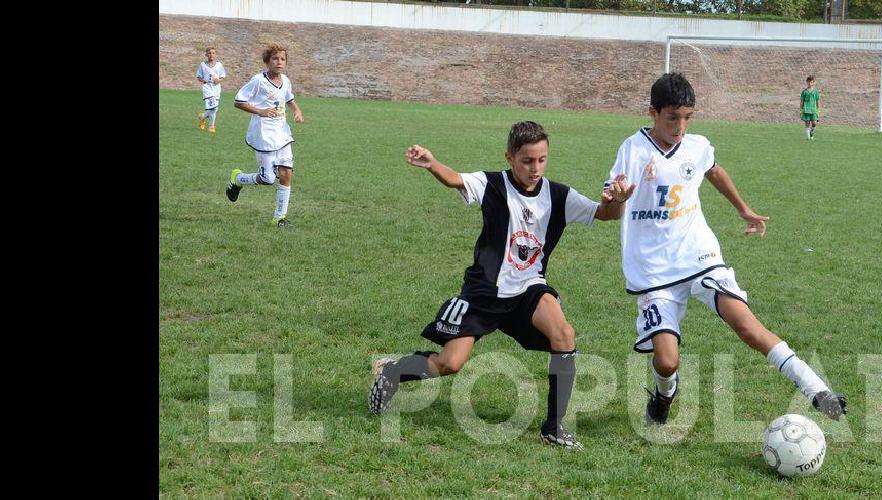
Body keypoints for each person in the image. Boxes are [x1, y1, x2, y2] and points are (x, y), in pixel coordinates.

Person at [369, 121, 634, 449]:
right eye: (527, 161)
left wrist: (618, 200)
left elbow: (605, 214)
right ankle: (392, 372)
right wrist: (431, 163)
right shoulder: (492, 184)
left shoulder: (559, 195)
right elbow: (456, 179)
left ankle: (555, 427)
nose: (535, 168)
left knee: (564, 333)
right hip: (485, 292)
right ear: (510, 157)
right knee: (449, 364)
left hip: (529, 289)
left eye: (541, 160)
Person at [604, 72, 848, 426]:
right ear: (654, 113)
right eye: (673, 117)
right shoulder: (634, 150)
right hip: (653, 271)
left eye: (688, 117)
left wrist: (743, 209)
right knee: (667, 361)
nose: (680, 127)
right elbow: (612, 208)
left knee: (746, 325)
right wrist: (619, 199)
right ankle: (664, 392)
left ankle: (818, 391)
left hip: (699, 256)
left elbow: (714, 171)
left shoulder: (697, 146)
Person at [224, 44, 304, 227]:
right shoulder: (258, 80)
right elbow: (238, 101)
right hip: (264, 135)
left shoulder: (286, 80)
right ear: (267, 61)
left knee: (286, 173)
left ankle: (279, 218)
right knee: (268, 179)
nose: (279, 62)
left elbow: (289, 98)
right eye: (275, 59)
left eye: (283, 59)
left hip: (282, 133)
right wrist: (260, 111)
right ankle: (238, 179)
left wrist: (297, 111)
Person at [800, 76, 822, 140]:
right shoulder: (804, 92)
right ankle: (808, 138)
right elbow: (802, 101)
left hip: (813, 109)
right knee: (807, 123)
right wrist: (801, 110)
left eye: (811, 82)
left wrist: (818, 110)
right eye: (809, 82)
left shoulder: (816, 91)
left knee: (814, 123)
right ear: (806, 82)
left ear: (814, 83)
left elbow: (818, 101)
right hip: (806, 109)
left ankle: (811, 133)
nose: (810, 83)